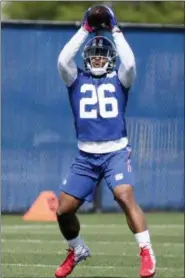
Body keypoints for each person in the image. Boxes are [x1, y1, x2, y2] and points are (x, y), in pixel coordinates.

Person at [55, 5, 156, 278]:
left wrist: (115, 29)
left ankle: (146, 251)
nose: (98, 60)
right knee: (63, 211)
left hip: (115, 152)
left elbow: (131, 63)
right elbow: (63, 60)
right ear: (87, 57)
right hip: (85, 156)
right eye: (94, 55)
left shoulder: (120, 78)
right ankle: (76, 249)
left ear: (110, 58)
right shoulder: (76, 79)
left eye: (103, 55)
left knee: (124, 195)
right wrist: (84, 29)